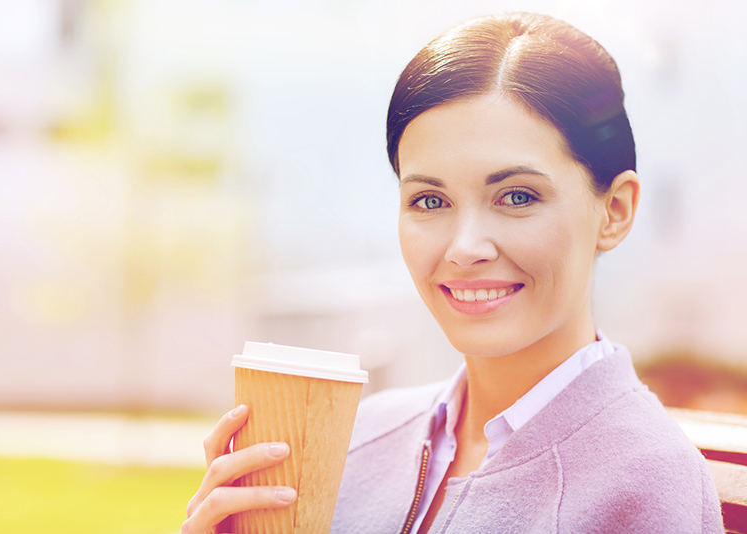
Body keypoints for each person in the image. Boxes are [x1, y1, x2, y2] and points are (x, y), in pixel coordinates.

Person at [183, 12, 725, 534]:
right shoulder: (359, 437)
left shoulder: (646, 484)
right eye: (429, 200)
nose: (464, 248)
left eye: (516, 196)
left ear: (615, 211)